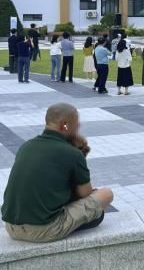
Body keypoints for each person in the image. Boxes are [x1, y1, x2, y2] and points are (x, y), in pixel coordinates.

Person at [1, 103, 113, 243]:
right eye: (76, 123)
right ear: (64, 124)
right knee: (106, 194)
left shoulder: (26, 146)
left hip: (11, 227)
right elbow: (85, 193)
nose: (78, 126)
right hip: (44, 229)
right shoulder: (72, 153)